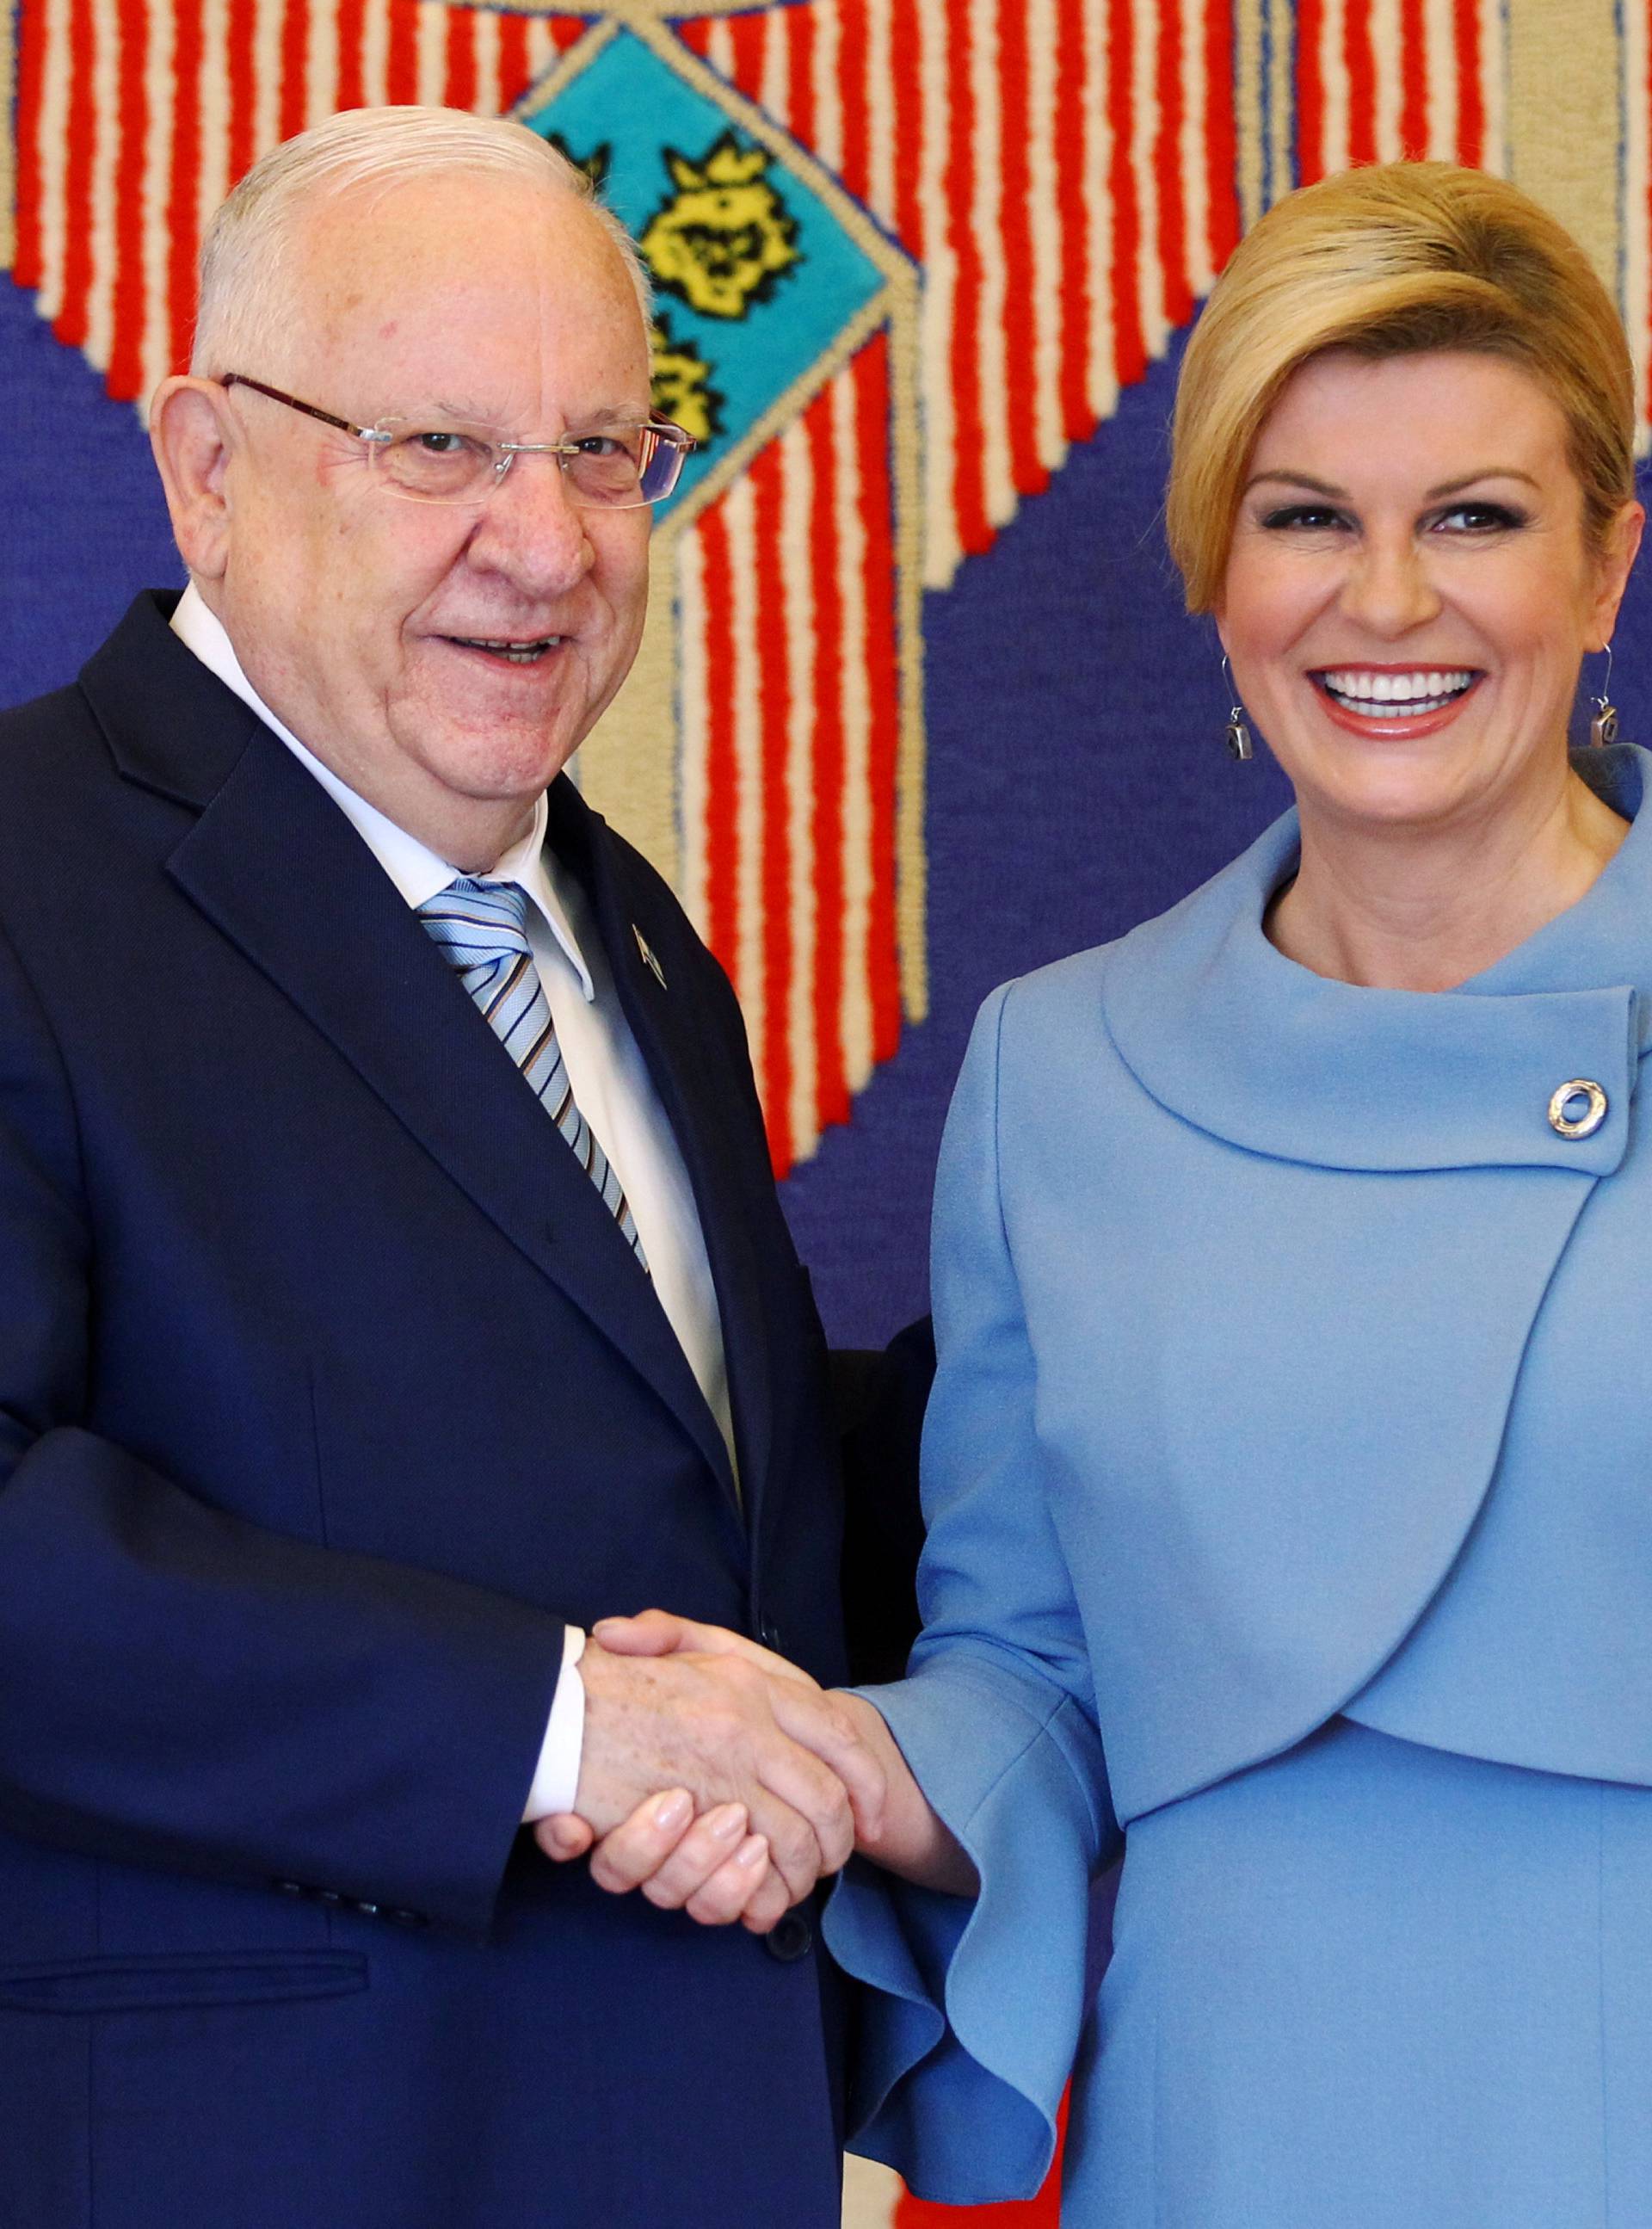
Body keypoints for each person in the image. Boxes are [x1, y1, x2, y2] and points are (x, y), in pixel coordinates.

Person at [567, 161, 1652, 2223]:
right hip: (1236, 2124)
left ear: (1608, 563)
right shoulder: (1059, 1073)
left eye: (1477, 518)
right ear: (1212, 564)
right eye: (1307, 515)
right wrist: (854, 1760)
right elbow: (1032, 1674)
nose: (1389, 600)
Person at [0, 105, 909, 2229]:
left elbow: (672, 1494)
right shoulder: (21, 874)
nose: (547, 540)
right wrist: (556, 1725)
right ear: (205, 465)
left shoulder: (633, 935)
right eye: (439, 449)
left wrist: (1132, 1340)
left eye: (607, 454)